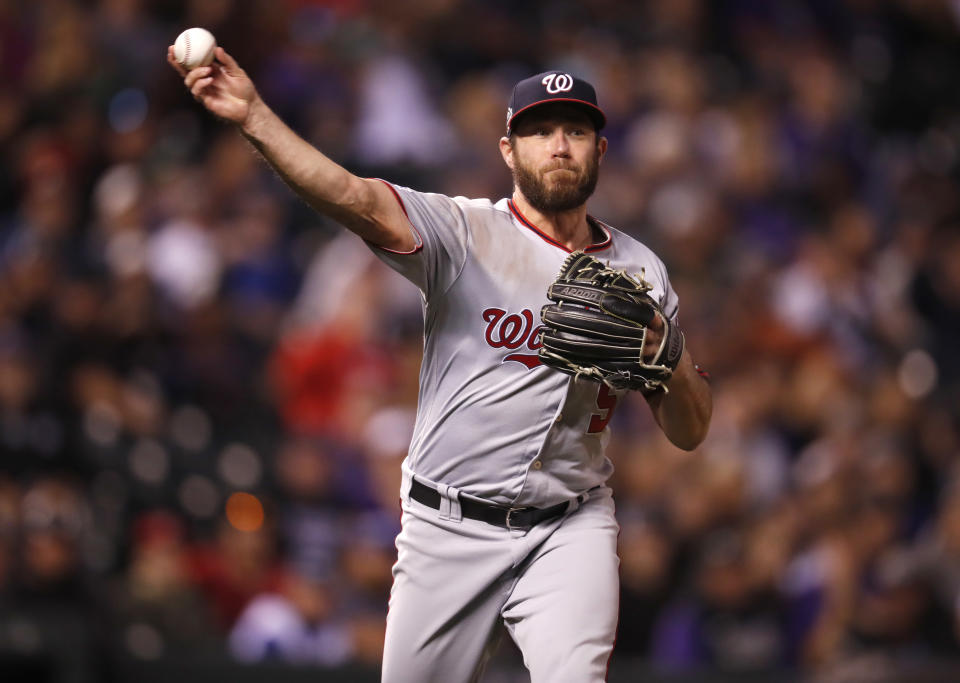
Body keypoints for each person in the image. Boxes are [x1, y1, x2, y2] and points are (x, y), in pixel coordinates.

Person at [168, 45, 712, 682]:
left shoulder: (641, 271)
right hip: (447, 525)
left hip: (570, 526)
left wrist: (668, 358)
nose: (559, 145)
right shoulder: (463, 233)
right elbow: (352, 195)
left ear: (601, 149)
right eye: (539, 131)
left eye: (576, 130)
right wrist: (255, 115)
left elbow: (690, 429)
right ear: (508, 151)